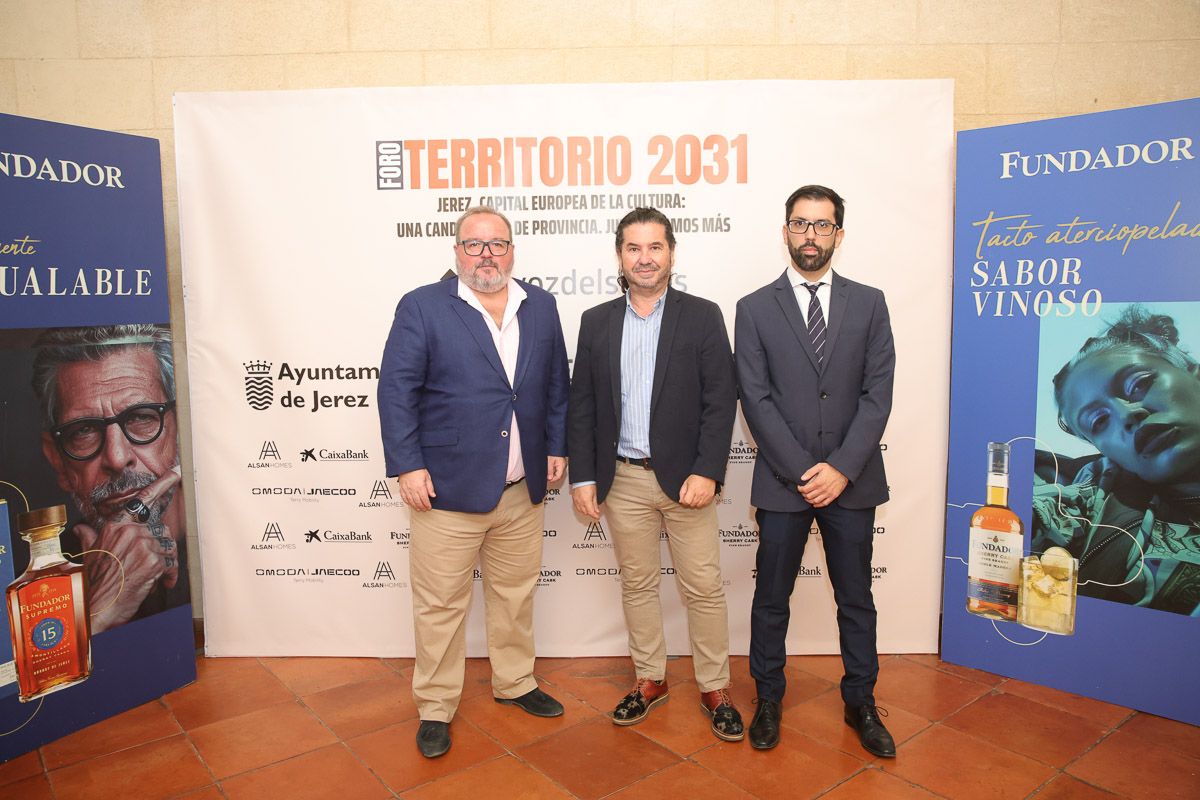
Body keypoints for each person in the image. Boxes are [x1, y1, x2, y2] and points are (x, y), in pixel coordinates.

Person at [378, 206, 570, 759]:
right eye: (474, 245)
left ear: (512, 250)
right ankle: (436, 705)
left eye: (497, 244)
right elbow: (397, 392)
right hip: (446, 492)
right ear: (457, 251)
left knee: (515, 596)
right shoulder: (423, 306)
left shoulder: (541, 305)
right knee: (440, 605)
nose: (486, 255)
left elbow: (557, 382)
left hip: (519, 489)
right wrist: (408, 465)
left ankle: (515, 683)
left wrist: (556, 445)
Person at [568, 207, 743, 742]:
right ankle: (651, 680)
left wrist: (708, 470)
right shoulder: (596, 322)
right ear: (619, 256)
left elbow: (721, 399)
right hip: (621, 481)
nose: (645, 258)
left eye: (655, 248)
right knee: (638, 585)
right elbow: (583, 406)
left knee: (704, 588)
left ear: (671, 253)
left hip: (688, 482)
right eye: (633, 248)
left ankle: (715, 687)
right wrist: (582, 478)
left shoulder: (702, 315)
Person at [735, 185, 896, 755]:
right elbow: (756, 400)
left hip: (853, 486)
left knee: (856, 598)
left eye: (822, 226)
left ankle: (861, 702)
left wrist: (842, 470)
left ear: (838, 235)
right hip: (784, 484)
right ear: (785, 232)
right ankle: (769, 700)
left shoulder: (870, 302)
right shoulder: (753, 308)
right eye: (800, 224)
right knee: (771, 599)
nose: (810, 235)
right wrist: (808, 471)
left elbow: (878, 396)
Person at [1032, 304, 1200, 615]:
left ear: (1195, 374)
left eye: (1138, 384)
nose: (1126, 415)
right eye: (1098, 422)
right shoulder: (1091, 505)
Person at [31, 324, 187, 635]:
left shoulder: (236, 541)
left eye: (142, 417)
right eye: (83, 431)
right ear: (57, 460)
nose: (117, 458)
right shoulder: (36, 586)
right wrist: (99, 614)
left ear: (183, 429)